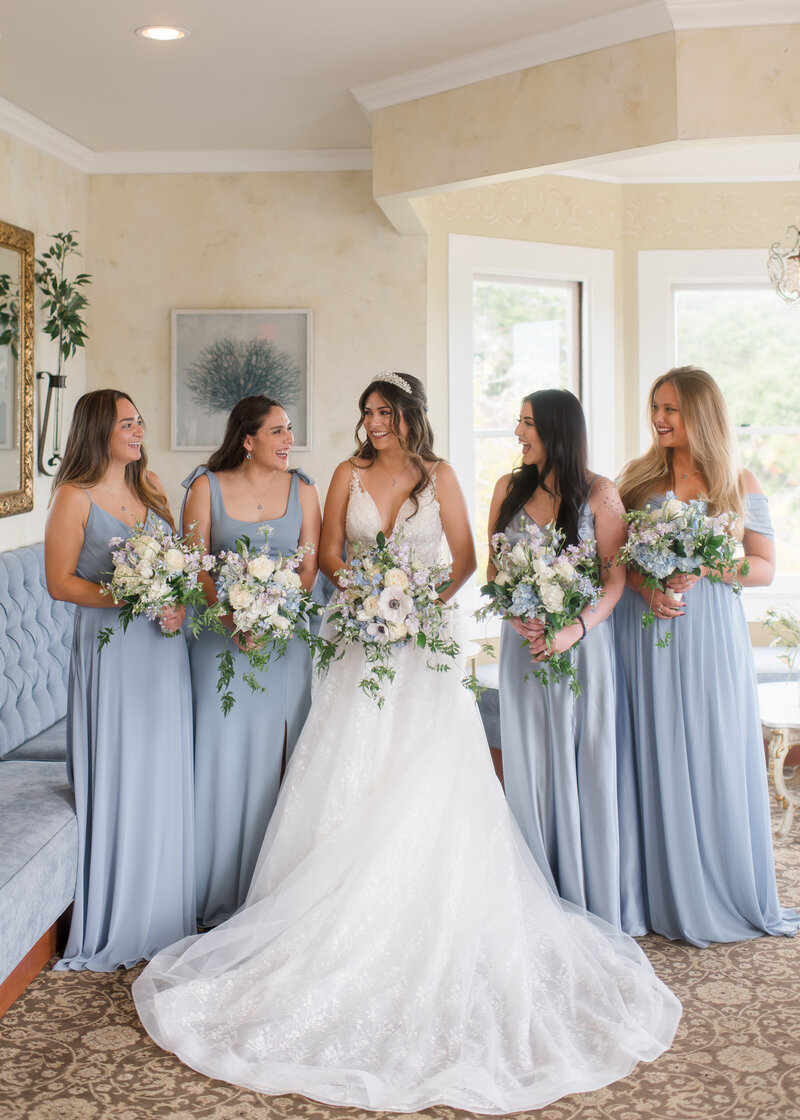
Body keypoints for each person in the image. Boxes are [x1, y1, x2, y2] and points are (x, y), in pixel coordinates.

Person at [133, 373, 680, 1114]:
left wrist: (414, 605)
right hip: (360, 641)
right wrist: (365, 595)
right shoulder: (345, 474)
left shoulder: (444, 475)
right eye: (366, 412)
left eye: (385, 411)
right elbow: (326, 553)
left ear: (409, 416)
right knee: (347, 775)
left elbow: (464, 559)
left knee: (433, 780)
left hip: (423, 649)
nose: (373, 422)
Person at [615, 365, 799, 947]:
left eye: (671, 409)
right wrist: (650, 587)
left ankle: (722, 884)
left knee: (715, 748)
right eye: (655, 407)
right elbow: (617, 562)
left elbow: (765, 568)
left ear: (701, 414)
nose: (659, 419)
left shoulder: (737, 482)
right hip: (649, 630)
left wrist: (705, 564)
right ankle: (662, 890)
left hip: (713, 635)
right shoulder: (638, 480)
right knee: (657, 747)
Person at [45, 389, 194, 970]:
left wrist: (175, 602)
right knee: (124, 772)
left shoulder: (149, 487)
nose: (138, 429)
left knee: (162, 770)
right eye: (127, 423)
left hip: (163, 652)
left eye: (139, 419)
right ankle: (117, 918)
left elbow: (178, 566)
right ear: (98, 431)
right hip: (113, 654)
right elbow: (60, 584)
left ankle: (163, 916)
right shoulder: (74, 497)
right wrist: (134, 594)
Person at [488, 389, 627, 927]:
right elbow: (497, 573)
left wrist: (574, 628)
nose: (519, 433)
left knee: (583, 762)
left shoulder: (600, 492)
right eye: (519, 422)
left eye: (527, 424)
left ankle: (586, 894)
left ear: (557, 430)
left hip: (581, 651)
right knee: (528, 764)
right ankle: (534, 897)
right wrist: (514, 613)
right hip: (523, 650)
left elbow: (614, 582)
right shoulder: (507, 488)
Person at [181, 395, 320, 927]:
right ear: (247, 439)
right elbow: (195, 566)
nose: (289, 441)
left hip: (286, 645)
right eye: (278, 432)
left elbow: (308, 569)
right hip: (219, 644)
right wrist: (231, 619)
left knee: (280, 767)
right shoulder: (205, 487)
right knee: (219, 762)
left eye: (290, 430)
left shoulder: (303, 489)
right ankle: (213, 897)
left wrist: (271, 614)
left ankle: (267, 897)